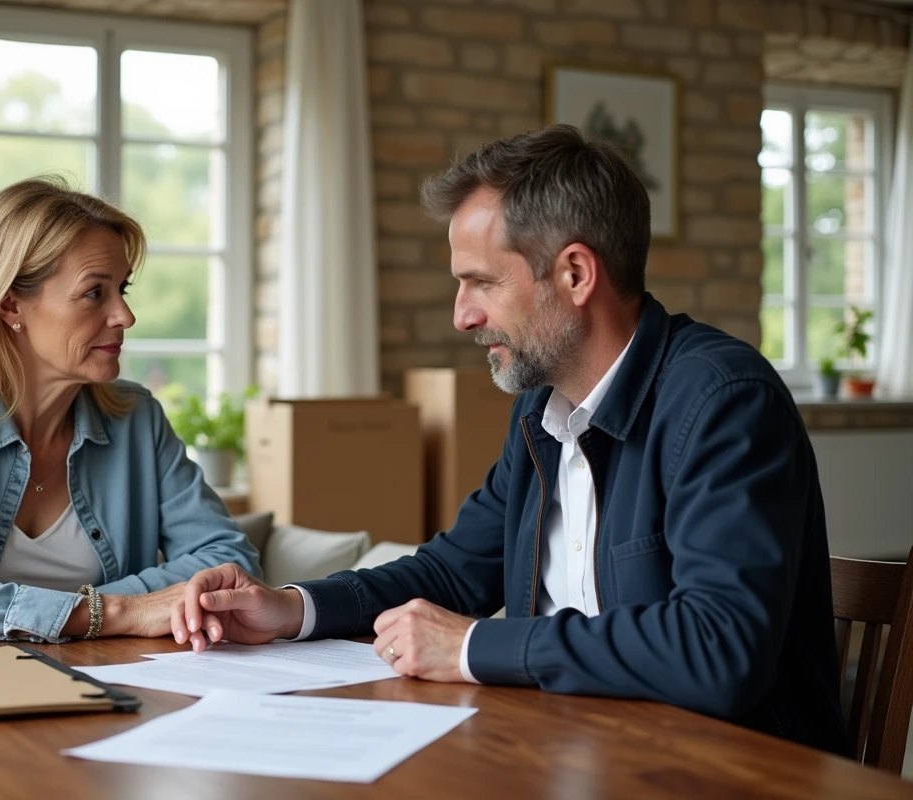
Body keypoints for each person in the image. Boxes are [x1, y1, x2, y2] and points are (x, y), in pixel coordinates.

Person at [172, 125, 848, 754]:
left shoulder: (723, 402)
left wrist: (472, 647)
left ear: (575, 275)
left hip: (720, 772)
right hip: (566, 751)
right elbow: (451, 571)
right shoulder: (541, 411)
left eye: (481, 283)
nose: (463, 316)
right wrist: (291, 608)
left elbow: (717, 647)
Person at [0, 177, 261, 643]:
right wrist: (115, 612)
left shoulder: (136, 418)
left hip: (85, 685)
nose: (125, 316)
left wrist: (96, 614)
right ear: (9, 304)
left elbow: (230, 559)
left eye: (123, 289)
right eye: (94, 293)